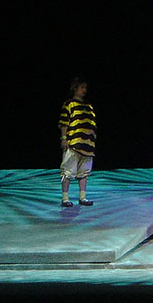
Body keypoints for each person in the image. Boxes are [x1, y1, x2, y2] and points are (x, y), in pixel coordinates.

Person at [58, 77, 97, 207]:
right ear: (75, 88)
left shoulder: (88, 106)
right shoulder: (69, 104)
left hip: (88, 145)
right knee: (68, 172)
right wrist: (64, 138)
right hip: (74, 143)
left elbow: (92, 124)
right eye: (81, 87)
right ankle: (65, 198)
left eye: (85, 87)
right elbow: (64, 122)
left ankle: (82, 197)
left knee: (84, 173)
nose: (84, 90)